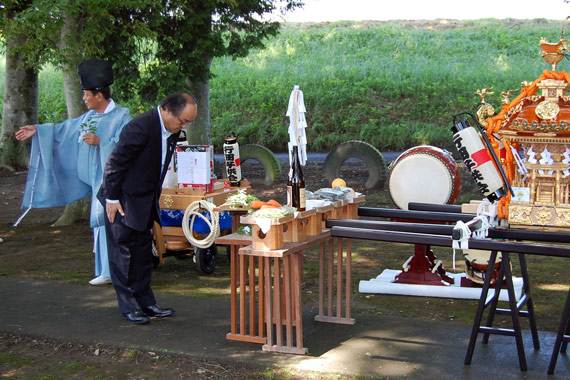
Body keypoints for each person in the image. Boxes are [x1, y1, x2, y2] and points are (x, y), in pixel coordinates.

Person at [15, 59, 132, 286]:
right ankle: (105, 270)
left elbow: (128, 148)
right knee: (100, 223)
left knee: (112, 224)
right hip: (97, 181)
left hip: (115, 184)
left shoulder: (122, 118)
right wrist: (37, 130)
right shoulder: (89, 118)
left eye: (86, 94)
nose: (83, 98)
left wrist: (102, 142)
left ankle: (116, 272)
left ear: (99, 95)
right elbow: (64, 130)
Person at [97, 92, 197, 324]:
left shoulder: (172, 132)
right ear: (167, 110)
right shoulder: (140, 127)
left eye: (188, 123)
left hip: (145, 198)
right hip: (121, 199)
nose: (183, 127)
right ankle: (129, 306)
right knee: (123, 253)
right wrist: (112, 199)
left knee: (143, 252)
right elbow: (115, 163)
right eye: (182, 121)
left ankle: (146, 302)